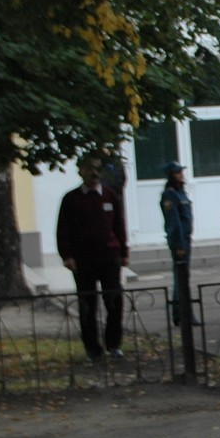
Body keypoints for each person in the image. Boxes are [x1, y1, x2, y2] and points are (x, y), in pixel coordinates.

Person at [56, 154, 129, 361]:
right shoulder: (71, 199)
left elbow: (119, 226)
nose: (94, 173)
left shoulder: (109, 195)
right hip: (83, 260)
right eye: (89, 169)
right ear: (81, 172)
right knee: (88, 306)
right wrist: (67, 255)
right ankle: (93, 350)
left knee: (114, 302)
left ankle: (114, 345)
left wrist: (124, 252)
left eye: (97, 168)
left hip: (109, 258)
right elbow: (63, 230)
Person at [160, 161, 198, 326]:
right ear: (171, 176)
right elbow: (173, 223)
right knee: (180, 278)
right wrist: (179, 245)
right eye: (177, 173)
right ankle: (182, 315)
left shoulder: (181, 192)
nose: (181, 175)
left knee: (183, 277)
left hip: (185, 239)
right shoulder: (170, 195)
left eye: (181, 172)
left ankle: (182, 314)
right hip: (180, 241)